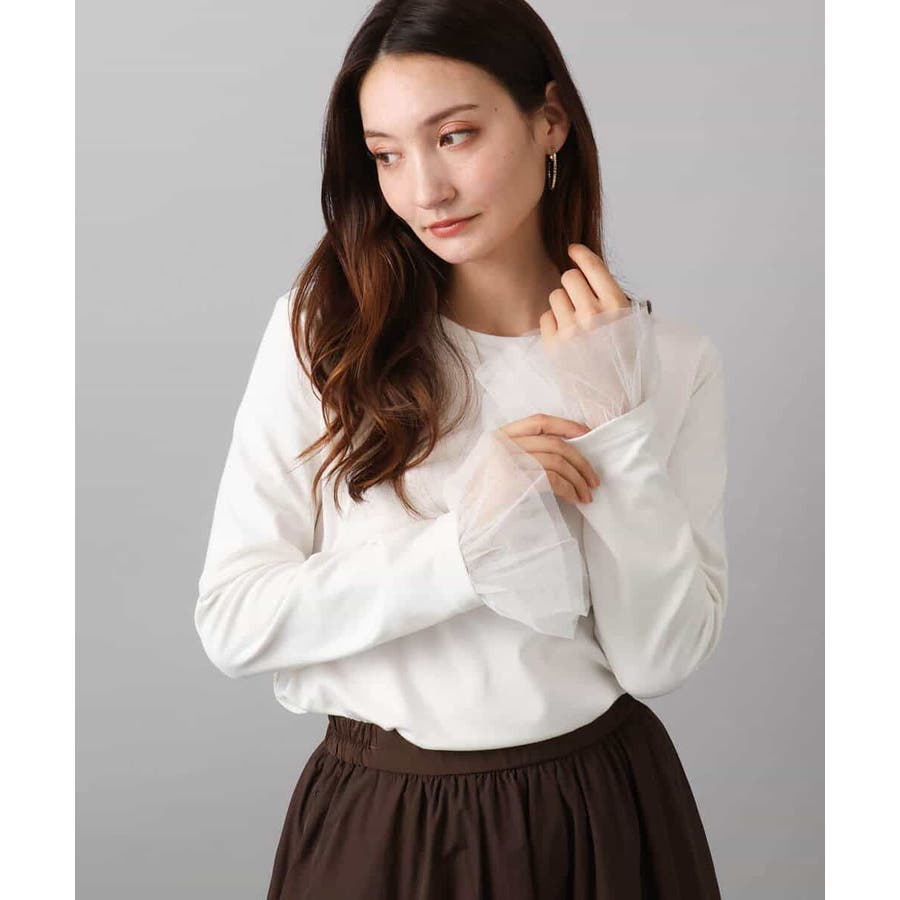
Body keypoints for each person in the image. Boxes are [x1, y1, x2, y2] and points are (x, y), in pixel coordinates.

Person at [194, 0, 729, 896]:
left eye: (454, 137)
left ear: (549, 120)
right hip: (383, 822)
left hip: (598, 818)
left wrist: (616, 429)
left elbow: (662, 660)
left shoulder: (671, 361)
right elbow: (235, 620)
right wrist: (462, 551)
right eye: (387, 155)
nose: (424, 191)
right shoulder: (324, 336)